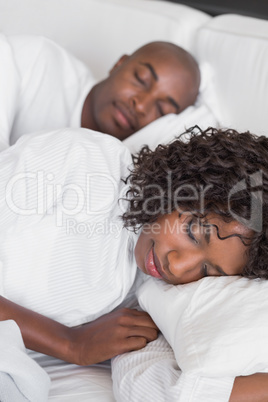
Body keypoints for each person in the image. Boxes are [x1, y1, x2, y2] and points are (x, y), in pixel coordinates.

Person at [0, 126, 268, 400]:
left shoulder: (156, 297)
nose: (177, 266)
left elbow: (152, 390)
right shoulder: (86, 160)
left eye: (206, 271)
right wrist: (69, 343)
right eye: (193, 233)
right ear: (187, 183)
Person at [0, 34, 200, 148]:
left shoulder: (118, 169)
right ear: (118, 64)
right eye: (141, 79)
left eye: (161, 109)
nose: (140, 105)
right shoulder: (34, 60)